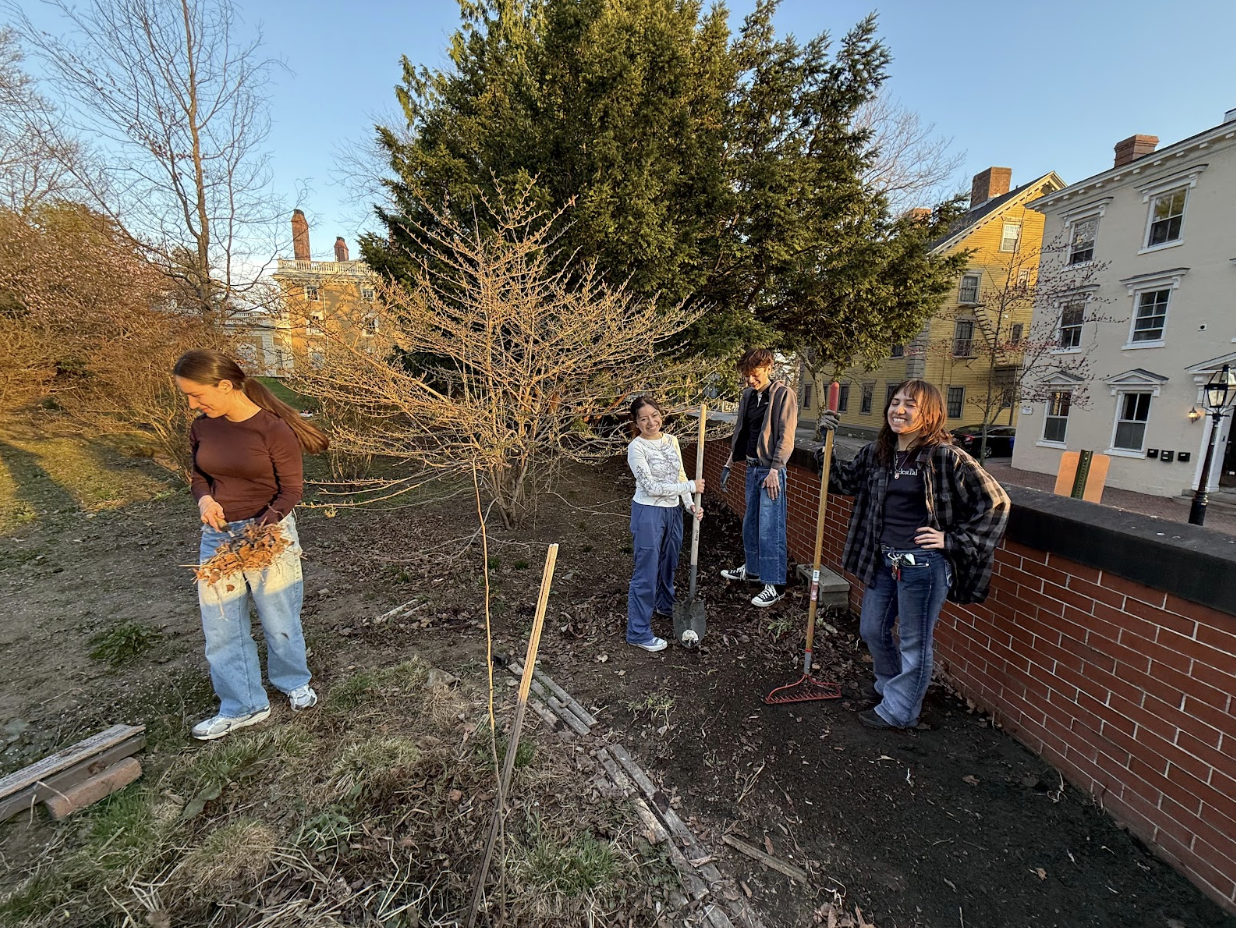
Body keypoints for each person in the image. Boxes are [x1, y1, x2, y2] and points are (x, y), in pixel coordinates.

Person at [821, 380, 1009, 731]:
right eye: (895, 402)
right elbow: (842, 482)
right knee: (873, 629)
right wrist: (825, 445)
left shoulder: (944, 457)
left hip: (923, 567)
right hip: (882, 559)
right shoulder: (879, 452)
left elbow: (996, 503)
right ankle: (892, 688)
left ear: (930, 414)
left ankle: (900, 711)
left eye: (911, 404)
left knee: (914, 642)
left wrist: (950, 540)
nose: (900, 410)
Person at [173, 349, 329, 740]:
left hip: (269, 533)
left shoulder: (272, 430)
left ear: (225, 386)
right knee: (221, 625)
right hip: (218, 537)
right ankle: (243, 705)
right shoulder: (203, 427)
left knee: (279, 619)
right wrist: (205, 499)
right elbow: (199, 477)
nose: (192, 404)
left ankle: (293, 682)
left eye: (197, 395)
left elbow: (291, 490)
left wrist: (264, 527)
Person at [626, 395, 704, 653]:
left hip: (672, 512)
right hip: (648, 512)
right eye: (644, 419)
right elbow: (651, 487)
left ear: (661, 415)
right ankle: (638, 632)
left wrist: (689, 503)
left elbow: (678, 473)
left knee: (669, 564)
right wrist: (690, 486)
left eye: (654, 415)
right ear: (636, 422)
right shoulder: (636, 448)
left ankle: (664, 604)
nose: (651, 422)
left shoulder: (672, 441)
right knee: (646, 572)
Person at [720, 348, 797, 607]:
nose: (750, 380)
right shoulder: (748, 396)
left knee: (770, 528)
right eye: (746, 376)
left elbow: (786, 436)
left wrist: (776, 469)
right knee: (750, 524)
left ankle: (775, 584)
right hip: (752, 468)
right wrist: (732, 460)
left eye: (754, 375)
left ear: (768, 368)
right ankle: (752, 570)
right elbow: (743, 431)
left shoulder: (783, 395)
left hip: (769, 472)